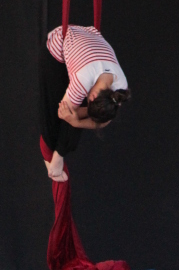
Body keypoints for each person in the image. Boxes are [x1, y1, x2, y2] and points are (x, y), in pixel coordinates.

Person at [40, 24, 130, 183]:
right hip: (58, 44)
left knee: (73, 118)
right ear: (93, 95)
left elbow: (104, 120)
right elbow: (63, 113)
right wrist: (74, 121)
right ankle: (55, 160)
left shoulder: (120, 88)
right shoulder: (82, 81)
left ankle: (58, 155)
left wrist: (77, 121)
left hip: (88, 39)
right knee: (60, 116)